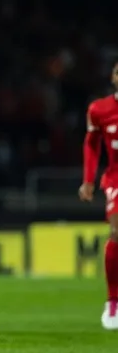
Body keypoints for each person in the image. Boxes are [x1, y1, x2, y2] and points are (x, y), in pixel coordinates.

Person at [79, 61, 118, 330]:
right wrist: (88, 181)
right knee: (117, 233)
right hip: (116, 177)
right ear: (113, 77)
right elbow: (92, 144)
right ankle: (113, 302)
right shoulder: (99, 110)